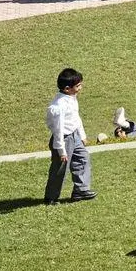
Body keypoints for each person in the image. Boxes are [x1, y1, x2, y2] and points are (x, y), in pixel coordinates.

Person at [45, 67, 95, 204]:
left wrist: (82, 135)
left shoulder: (72, 98)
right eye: (78, 86)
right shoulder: (59, 106)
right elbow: (58, 130)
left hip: (75, 136)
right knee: (60, 169)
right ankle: (51, 197)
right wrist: (61, 150)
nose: (81, 87)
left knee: (83, 158)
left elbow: (75, 118)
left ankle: (80, 190)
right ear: (67, 88)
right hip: (63, 140)